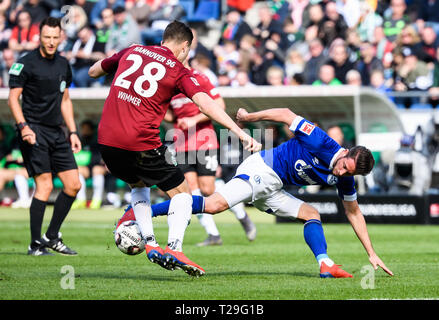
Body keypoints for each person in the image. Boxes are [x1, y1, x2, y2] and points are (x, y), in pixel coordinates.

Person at [88, 21, 261, 277]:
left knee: (138, 185)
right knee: (182, 192)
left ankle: (150, 244)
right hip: (140, 141)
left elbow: (93, 71)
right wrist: (238, 132)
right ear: (184, 46)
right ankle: (175, 248)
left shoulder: (132, 50)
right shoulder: (179, 71)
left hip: (107, 141)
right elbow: (208, 105)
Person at [144, 107, 394, 278]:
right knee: (213, 205)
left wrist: (371, 253)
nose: (341, 174)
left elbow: (354, 212)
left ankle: (325, 264)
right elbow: (286, 114)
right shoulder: (323, 142)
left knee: (311, 214)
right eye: (344, 167)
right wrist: (249, 117)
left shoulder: (346, 179)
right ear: (345, 152)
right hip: (262, 168)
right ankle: (142, 214)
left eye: (348, 174)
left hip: (274, 187)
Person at [8, 17, 82, 256]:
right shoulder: (25, 63)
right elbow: (13, 98)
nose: (51, 42)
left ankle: (51, 236)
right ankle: (34, 244)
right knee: (45, 185)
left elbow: (66, 100)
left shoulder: (63, 64)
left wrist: (72, 131)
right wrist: (23, 127)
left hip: (57, 131)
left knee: (73, 185)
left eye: (55, 37)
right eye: (46, 37)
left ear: (61, 37)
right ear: (39, 37)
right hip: (34, 129)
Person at [164, 57, 256, 246]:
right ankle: (213, 234)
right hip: (181, 142)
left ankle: (241, 214)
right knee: (190, 189)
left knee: (208, 189)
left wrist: (192, 120)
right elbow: (172, 114)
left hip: (204, 140)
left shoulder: (199, 78)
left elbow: (218, 105)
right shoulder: (170, 84)